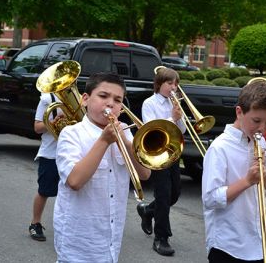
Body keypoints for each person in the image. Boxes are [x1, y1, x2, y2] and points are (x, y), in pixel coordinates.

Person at [53, 72, 151, 262]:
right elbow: (75, 181)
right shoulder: (71, 134)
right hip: (78, 242)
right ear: (85, 99)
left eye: (117, 99)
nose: (110, 104)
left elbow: (144, 174)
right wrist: (105, 140)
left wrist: (125, 141)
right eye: (103, 96)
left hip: (111, 241)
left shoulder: (125, 133)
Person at [201, 78, 266, 263]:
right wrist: (247, 181)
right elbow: (210, 198)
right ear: (239, 112)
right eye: (256, 120)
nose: (262, 128)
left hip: (263, 241)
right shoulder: (219, 148)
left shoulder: (259, 141)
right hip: (229, 245)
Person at [136, 67, 186, 256]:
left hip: (172, 152)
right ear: (159, 84)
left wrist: (179, 118)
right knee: (164, 195)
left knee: (175, 194)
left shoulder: (175, 104)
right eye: (169, 83)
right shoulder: (150, 103)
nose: (173, 87)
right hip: (156, 153)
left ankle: (148, 210)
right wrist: (171, 117)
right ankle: (161, 238)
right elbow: (153, 128)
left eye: (176, 84)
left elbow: (182, 132)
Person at [28, 92, 63, 241]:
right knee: (44, 191)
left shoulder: (80, 99)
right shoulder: (47, 99)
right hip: (51, 153)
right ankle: (35, 223)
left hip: (72, 153)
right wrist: (53, 123)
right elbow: (37, 127)